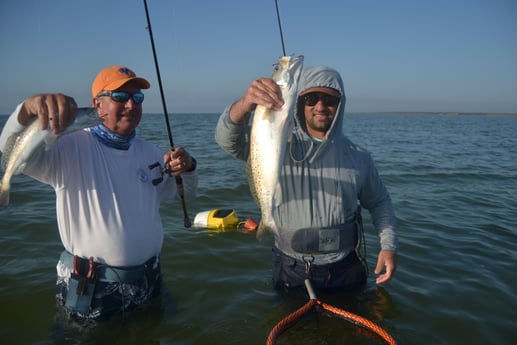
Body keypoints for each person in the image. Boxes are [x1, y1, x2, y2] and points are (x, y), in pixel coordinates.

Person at [0, 65, 198, 321]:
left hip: (149, 280)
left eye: (137, 97)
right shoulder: (66, 148)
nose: (130, 104)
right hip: (92, 289)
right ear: (97, 103)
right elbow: (9, 151)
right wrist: (25, 110)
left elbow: (186, 193)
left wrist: (190, 167)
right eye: (119, 96)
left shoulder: (150, 152)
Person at [215, 66, 397, 291]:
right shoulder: (276, 143)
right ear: (300, 102)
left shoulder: (359, 156)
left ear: (340, 105)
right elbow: (228, 142)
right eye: (311, 98)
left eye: (329, 99)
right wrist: (243, 105)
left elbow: (380, 203)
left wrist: (388, 246)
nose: (320, 106)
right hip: (292, 270)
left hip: (348, 268)